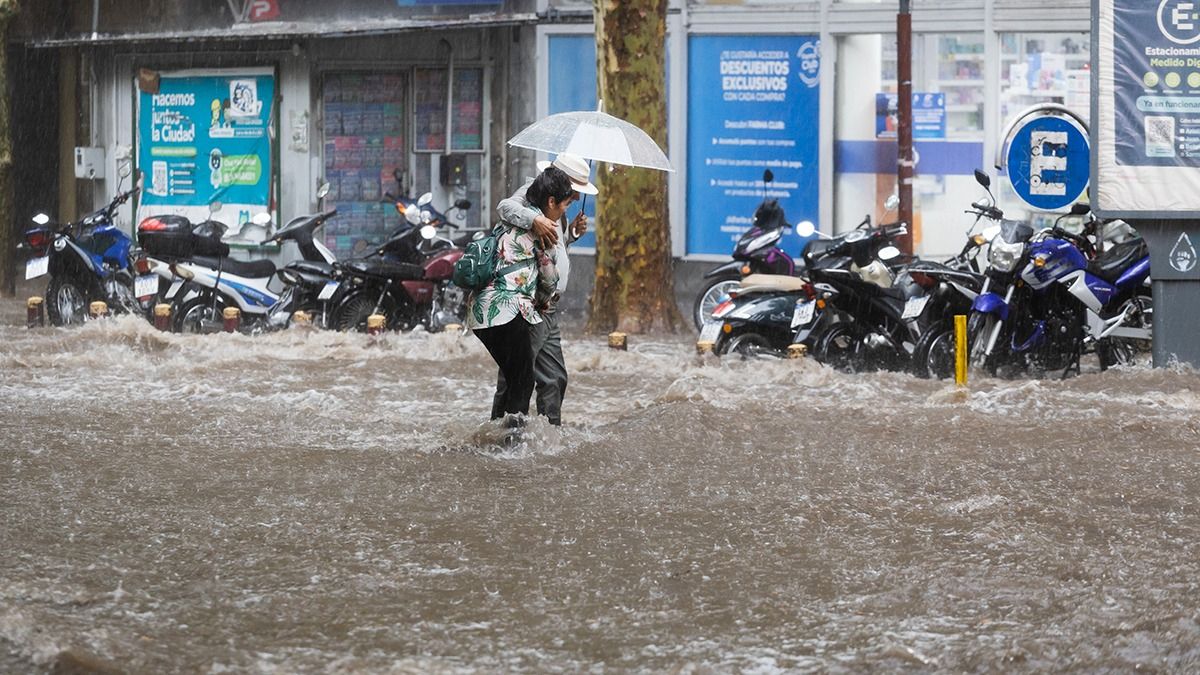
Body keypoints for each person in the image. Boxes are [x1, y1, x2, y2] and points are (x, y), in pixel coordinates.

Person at [491, 154, 597, 426]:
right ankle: (502, 433)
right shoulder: (531, 195)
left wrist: (571, 234)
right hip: (528, 304)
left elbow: (554, 251)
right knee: (517, 376)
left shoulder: (557, 209)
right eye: (574, 193)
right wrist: (532, 220)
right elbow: (504, 207)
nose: (575, 199)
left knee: (555, 377)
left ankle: (550, 435)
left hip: (549, 306)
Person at [467, 167, 572, 425]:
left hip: (482, 309)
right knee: (520, 380)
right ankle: (511, 445)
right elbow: (548, 278)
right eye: (565, 204)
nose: (565, 211)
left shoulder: (517, 220)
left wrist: (572, 235)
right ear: (551, 200)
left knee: (532, 377)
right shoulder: (536, 219)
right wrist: (544, 301)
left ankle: (515, 437)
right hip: (515, 311)